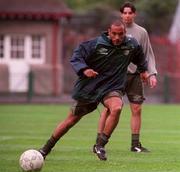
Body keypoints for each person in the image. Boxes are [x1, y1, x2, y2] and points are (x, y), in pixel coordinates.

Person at [39, 20, 148, 161]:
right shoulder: (95, 44)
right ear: (108, 32)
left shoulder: (131, 44)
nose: (117, 38)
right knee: (71, 120)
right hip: (91, 88)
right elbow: (77, 56)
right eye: (114, 34)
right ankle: (45, 149)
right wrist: (85, 69)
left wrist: (143, 70)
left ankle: (100, 145)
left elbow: (139, 56)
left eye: (120, 34)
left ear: (125, 33)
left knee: (116, 108)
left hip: (112, 87)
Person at [93, 2, 157, 154]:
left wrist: (152, 73)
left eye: (130, 13)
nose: (127, 15)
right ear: (121, 14)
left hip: (135, 77)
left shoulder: (142, 32)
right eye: (125, 13)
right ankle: (98, 144)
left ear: (134, 14)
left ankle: (135, 144)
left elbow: (148, 53)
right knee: (109, 109)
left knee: (137, 109)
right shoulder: (114, 31)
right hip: (116, 77)